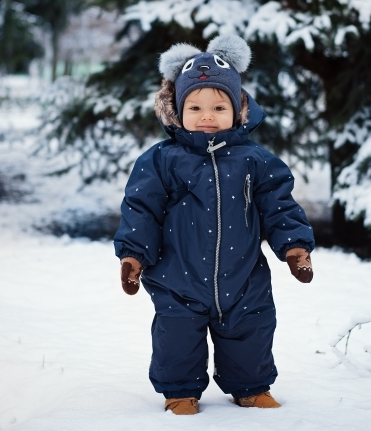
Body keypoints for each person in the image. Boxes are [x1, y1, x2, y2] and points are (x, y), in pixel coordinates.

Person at [113, 34, 315, 415]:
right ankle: (179, 391)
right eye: (196, 107)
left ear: (237, 110)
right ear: (177, 110)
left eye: (219, 106)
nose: (207, 116)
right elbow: (141, 209)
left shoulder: (255, 160)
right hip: (177, 277)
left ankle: (251, 388)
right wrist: (133, 258)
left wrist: (295, 247)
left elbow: (279, 204)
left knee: (250, 332)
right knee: (177, 336)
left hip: (243, 277)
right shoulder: (161, 160)